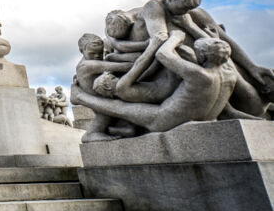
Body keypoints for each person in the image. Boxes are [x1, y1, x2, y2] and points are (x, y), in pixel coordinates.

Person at [72, 30, 236, 134]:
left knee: (120, 110)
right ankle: (79, 97)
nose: (115, 77)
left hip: (172, 114)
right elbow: (136, 67)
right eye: (112, 78)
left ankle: (81, 98)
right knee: (117, 109)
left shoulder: (199, 75)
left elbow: (147, 65)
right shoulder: (229, 75)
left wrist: (174, 39)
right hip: (172, 115)